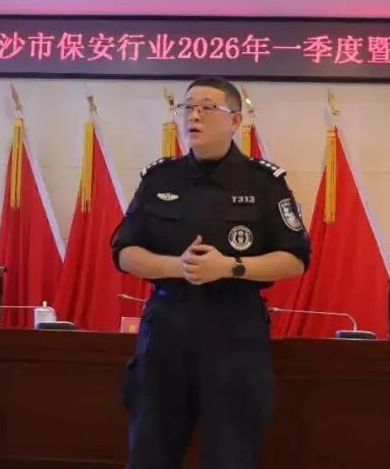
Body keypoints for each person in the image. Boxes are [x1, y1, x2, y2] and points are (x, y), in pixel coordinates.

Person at [111, 76, 311, 469]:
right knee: (150, 452)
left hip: (233, 329)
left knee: (230, 455)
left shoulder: (263, 182)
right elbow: (124, 252)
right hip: (167, 327)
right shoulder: (159, 178)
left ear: (235, 120)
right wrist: (179, 267)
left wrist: (230, 267)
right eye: (188, 108)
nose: (194, 116)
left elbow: (295, 258)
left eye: (206, 108)